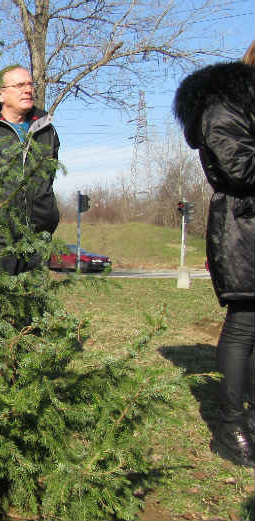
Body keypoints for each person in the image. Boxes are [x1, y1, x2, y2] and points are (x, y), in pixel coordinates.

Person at [173, 41, 255, 468]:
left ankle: (251, 420)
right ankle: (231, 428)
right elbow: (240, 168)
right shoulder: (223, 105)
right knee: (244, 325)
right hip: (243, 227)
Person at [0, 65, 60, 275]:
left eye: (29, 84)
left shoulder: (46, 130)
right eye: (18, 85)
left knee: (34, 304)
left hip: (38, 237)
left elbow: (49, 177)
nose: (27, 90)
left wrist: (48, 217)